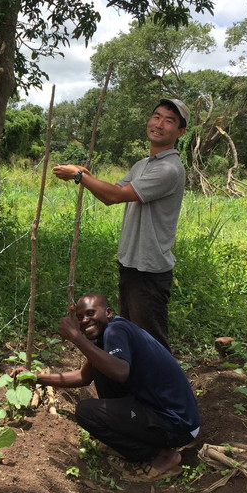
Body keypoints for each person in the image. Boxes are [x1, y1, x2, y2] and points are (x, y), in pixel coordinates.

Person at [53, 98, 189, 352]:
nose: (159, 124)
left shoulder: (169, 169)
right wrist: (86, 175)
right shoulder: (143, 165)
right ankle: (137, 389)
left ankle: (164, 390)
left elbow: (115, 196)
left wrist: (79, 176)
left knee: (153, 344)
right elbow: (110, 195)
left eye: (169, 121)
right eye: (156, 116)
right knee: (134, 336)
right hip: (131, 265)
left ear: (180, 132)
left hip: (149, 271)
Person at [19, 292, 200, 482]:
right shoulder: (106, 335)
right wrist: (35, 377)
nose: (84, 321)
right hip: (167, 415)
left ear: (108, 312)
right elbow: (83, 376)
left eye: (90, 313)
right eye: (80, 317)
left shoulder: (116, 331)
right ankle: (127, 431)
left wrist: (76, 338)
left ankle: (162, 456)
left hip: (176, 423)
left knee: (87, 412)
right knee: (100, 368)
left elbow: (120, 372)